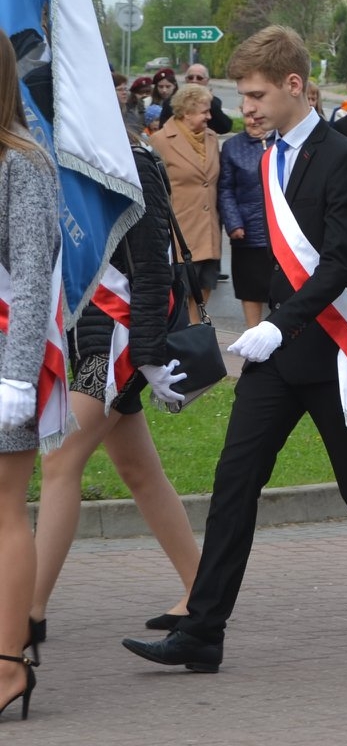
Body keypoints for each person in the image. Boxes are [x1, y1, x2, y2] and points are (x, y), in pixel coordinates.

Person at [122, 25, 347, 673]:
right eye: (243, 95)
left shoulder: (341, 155)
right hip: (280, 356)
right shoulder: (269, 154)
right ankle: (203, 629)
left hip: (331, 350)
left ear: (294, 85)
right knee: (234, 480)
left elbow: (341, 264)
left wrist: (280, 324)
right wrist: (273, 326)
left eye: (255, 94)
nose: (244, 107)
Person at [34, 122, 201, 643]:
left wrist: (148, 355)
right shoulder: (56, 159)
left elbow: (153, 269)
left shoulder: (131, 160)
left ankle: (26, 613)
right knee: (138, 470)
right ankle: (203, 592)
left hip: (118, 336)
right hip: (87, 333)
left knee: (60, 461)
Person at [0, 34, 62, 719]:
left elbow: (31, 279)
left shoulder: (21, 162)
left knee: (3, 510)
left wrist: (17, 378)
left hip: (3, 362)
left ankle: (9, 664)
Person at [155, 83, 223, 306]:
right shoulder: (160, 141)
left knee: (204, 290)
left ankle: (198, 326)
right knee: (180, 297)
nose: (209, 117)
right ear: (187, 112)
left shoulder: (211, 138)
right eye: (205, 111)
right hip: (180, 233)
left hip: (209, 232)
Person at [218, 115, 272, 329]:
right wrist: (233, 223)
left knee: (283, 288)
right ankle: (252, 333)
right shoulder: (233, 146)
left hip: (281, 230)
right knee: (250, 288)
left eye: (258, 117)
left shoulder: (283, 141)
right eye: (248, 116)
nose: (253, 122)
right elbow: (225, 189)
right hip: (247, 230)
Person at [182, 64, 233, 135]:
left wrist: (209, 101)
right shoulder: (174, 102)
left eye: (199, 78)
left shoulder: (214, 102)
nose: (194, 81)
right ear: (186, 80)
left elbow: (224, 128)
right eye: (190, 77)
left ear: (207, 81)